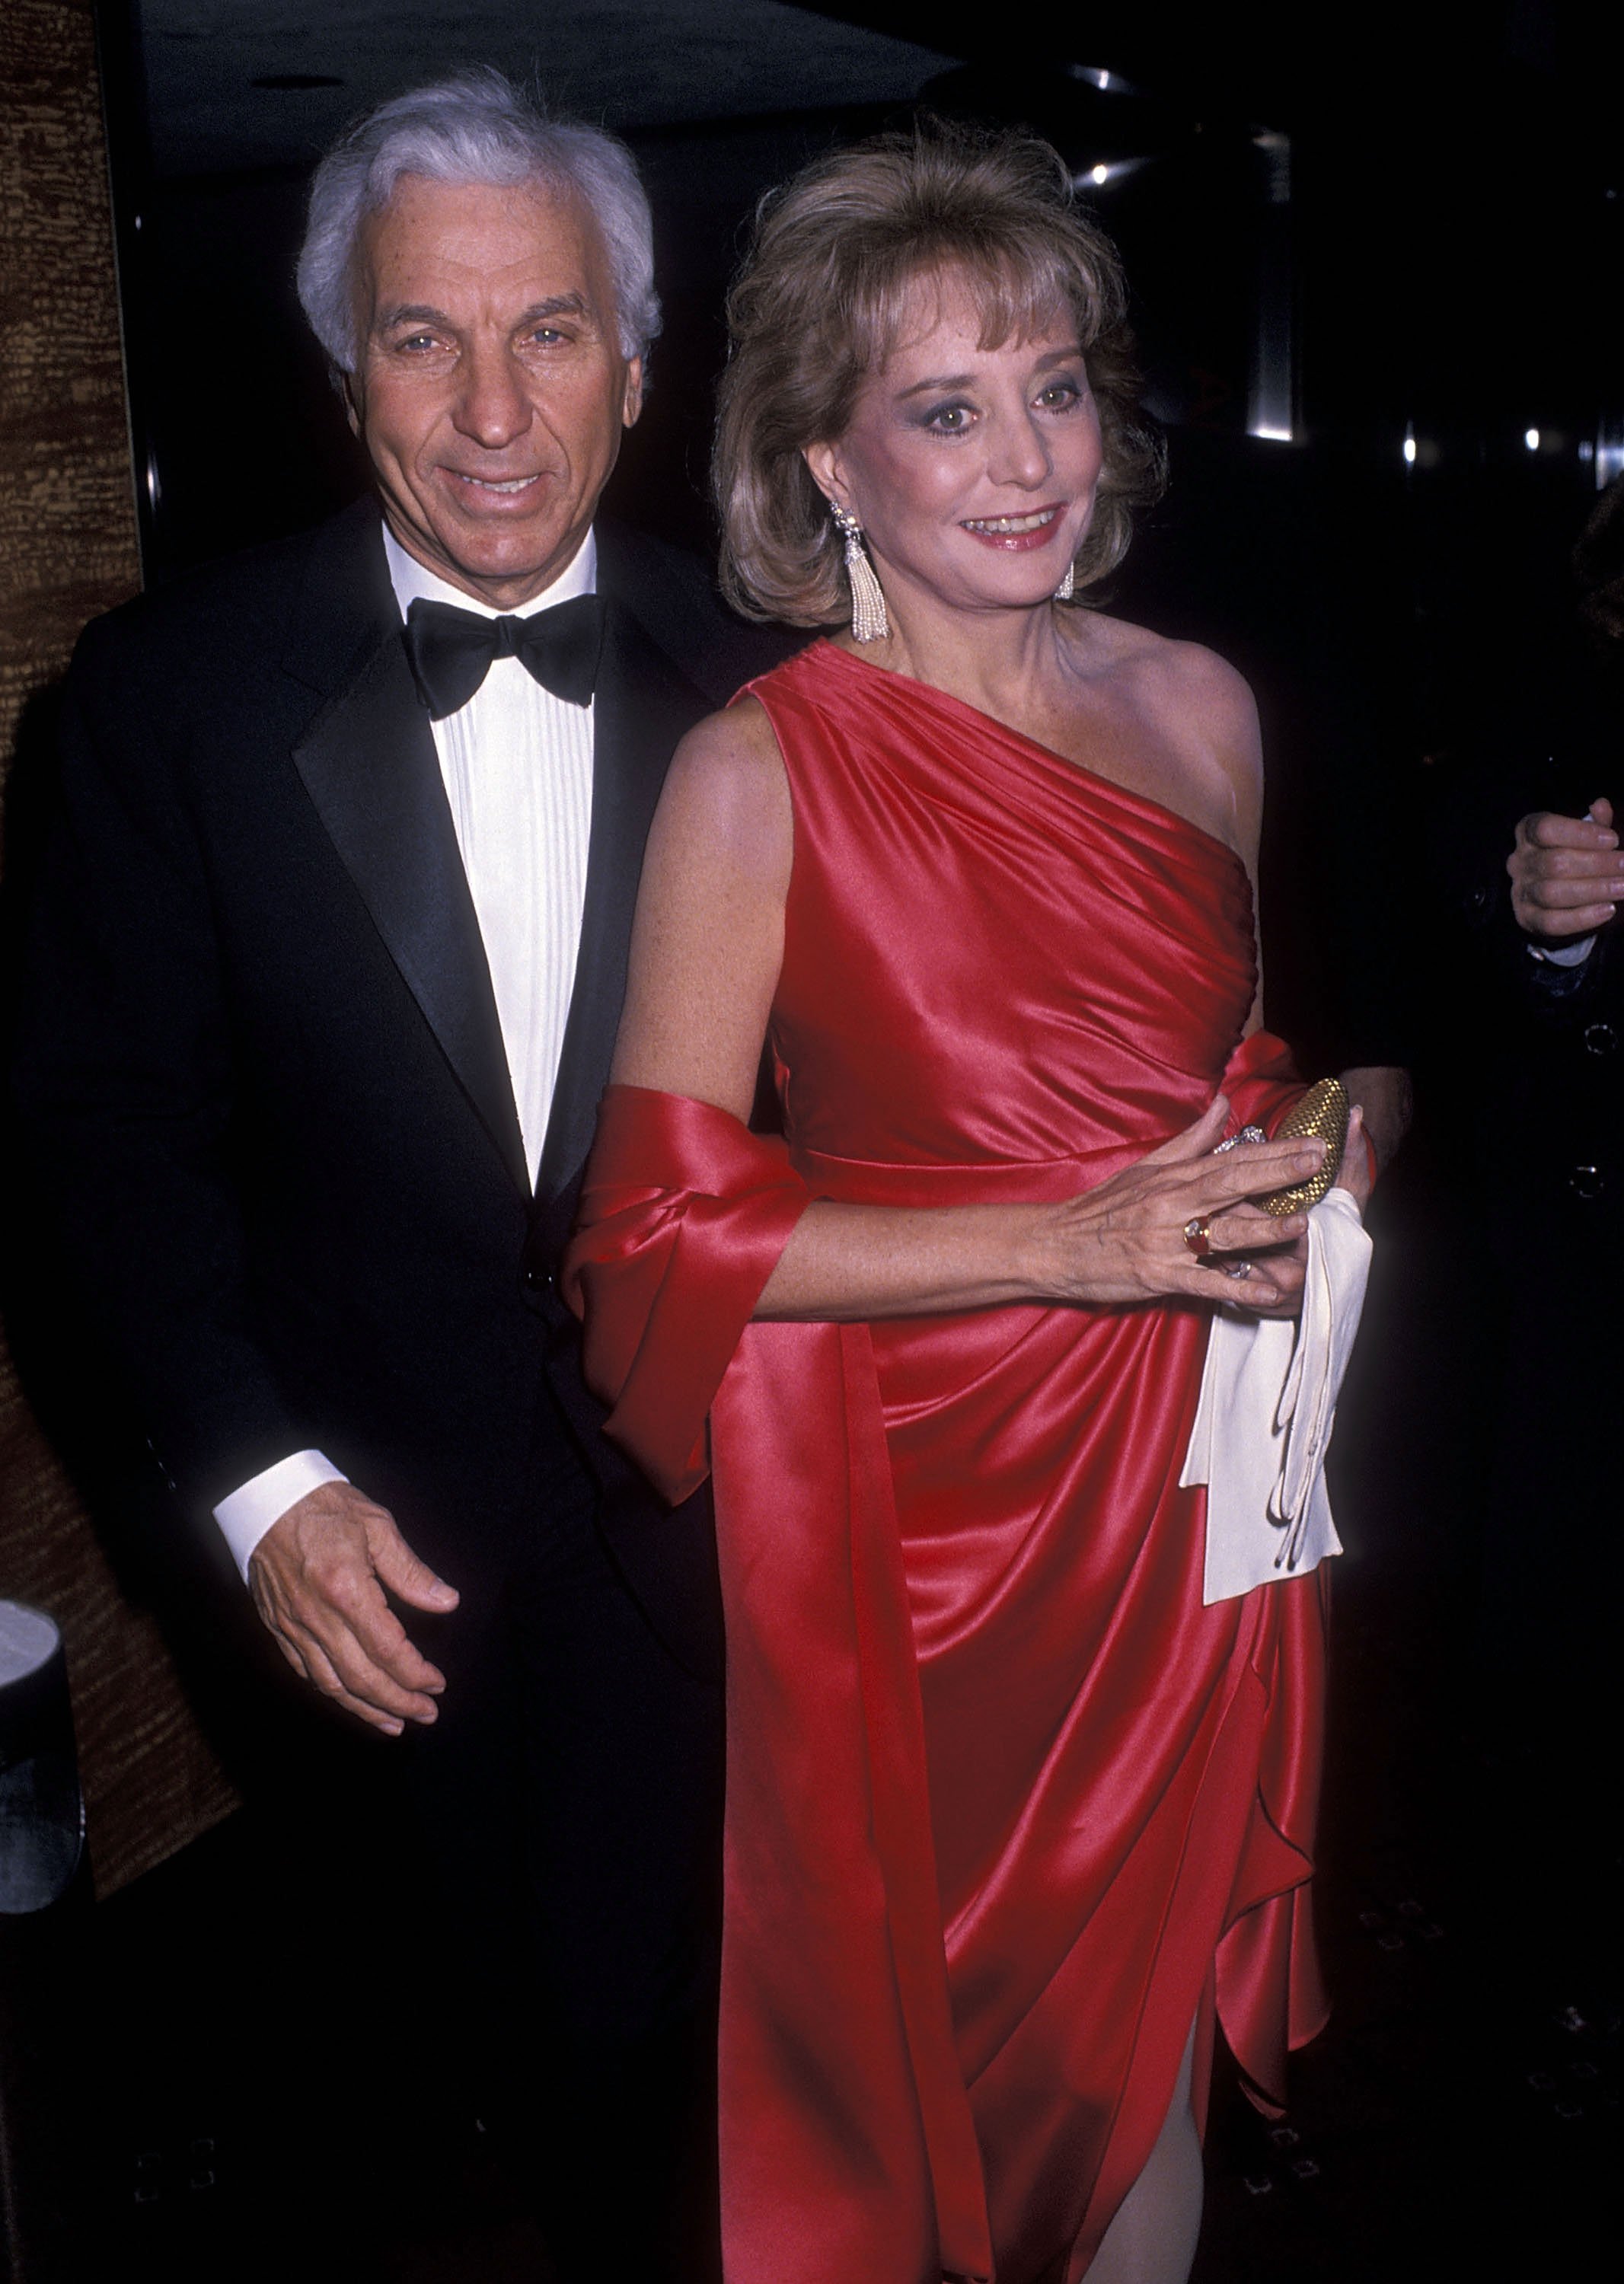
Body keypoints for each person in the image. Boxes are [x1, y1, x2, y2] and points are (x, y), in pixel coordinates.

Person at [563, 123, 1371, 2284]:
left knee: (1143, 2042)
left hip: (1183, 1480)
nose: (1024, 460)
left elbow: (1222, 1067)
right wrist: (1069, 1243)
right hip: (916, 1535)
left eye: (1055, 387)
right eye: (944, 408)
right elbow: (647, 1243)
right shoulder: (762, 771)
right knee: (914, 2070)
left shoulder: (1204, 706)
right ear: (828, 466)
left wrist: (1313, 1143)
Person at [11, 68, 787, 2279]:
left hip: (705, 1534)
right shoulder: (162, 704)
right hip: (357, 1557)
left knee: (672, 2101)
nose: (489, 407)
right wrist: (255, 1491)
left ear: (639, 363)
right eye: (422, 336)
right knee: (361, 2112)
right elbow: (98, 1145)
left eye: (547, 328)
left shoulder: (782, 688)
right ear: (344, 369)